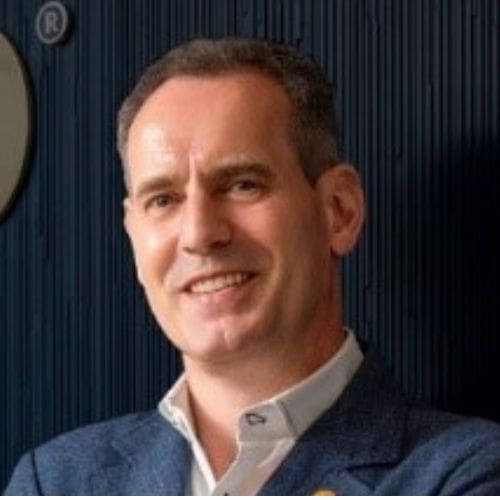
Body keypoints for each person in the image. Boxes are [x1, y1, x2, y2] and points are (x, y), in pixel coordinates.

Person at [4, 37, 500, 496]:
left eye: (243, 185)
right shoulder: (54, 482)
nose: (199, 234)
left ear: (340, 211)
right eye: (163, 199)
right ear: (133, 233)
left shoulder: (467, 473)